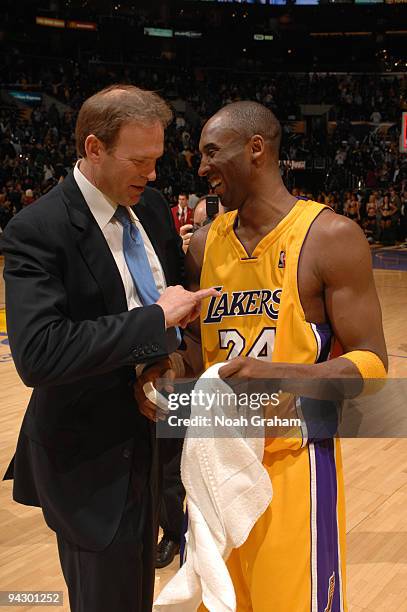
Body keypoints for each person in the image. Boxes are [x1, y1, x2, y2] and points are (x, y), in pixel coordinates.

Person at [2, 84, 217, 612]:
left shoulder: (154, 207)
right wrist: (152, 322)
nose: (153, 173)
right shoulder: (39, 228)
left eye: (157, 159)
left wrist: (161, 361)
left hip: (151, 448)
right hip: (88, 462)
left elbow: (167, 310)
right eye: (139, 160)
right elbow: (39, 354)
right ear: (93, 149)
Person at [184, 101, 387, 611]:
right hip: (216, 465)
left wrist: (277, 374)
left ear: (256, 149)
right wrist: (164, 373)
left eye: (212, 152)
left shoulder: (330, 237)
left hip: (292, 465)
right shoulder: (203, 246)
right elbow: (194, 352)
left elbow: (372, 364)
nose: (201, 167)